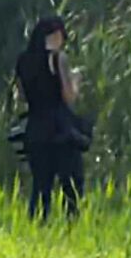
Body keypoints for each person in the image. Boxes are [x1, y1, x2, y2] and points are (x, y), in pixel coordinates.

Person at [14, 16, 84, 220]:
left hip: (35, 127)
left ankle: (37, 224)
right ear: (55, 35)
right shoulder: (57, 58)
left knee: (40, 186)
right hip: (60, 128)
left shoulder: (23, 60)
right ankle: (71, 227)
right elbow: (68, 96)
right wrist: (76, 81)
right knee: (71, 184)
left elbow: (21, 95)